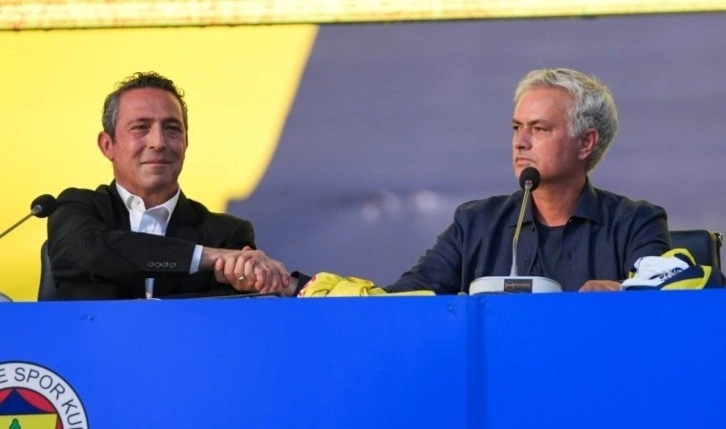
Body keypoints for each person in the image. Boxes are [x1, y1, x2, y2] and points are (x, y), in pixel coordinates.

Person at [385, 68, 670, 294]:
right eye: (516, 127)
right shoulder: (474, 224)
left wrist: (623, 294)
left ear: (585, 142)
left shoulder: (636, 223)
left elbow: (665, 303)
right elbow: (405, 298)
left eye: (539, 129)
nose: (520, 142)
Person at [47, 71, 305, 300]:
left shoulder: (226, 234)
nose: (158, 142)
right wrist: (208, 257)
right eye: (140, 127)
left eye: (172, 129)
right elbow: (87, 252)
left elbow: (224, 310)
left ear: (185, 143)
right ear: (107, 145)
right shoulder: (77, 208)